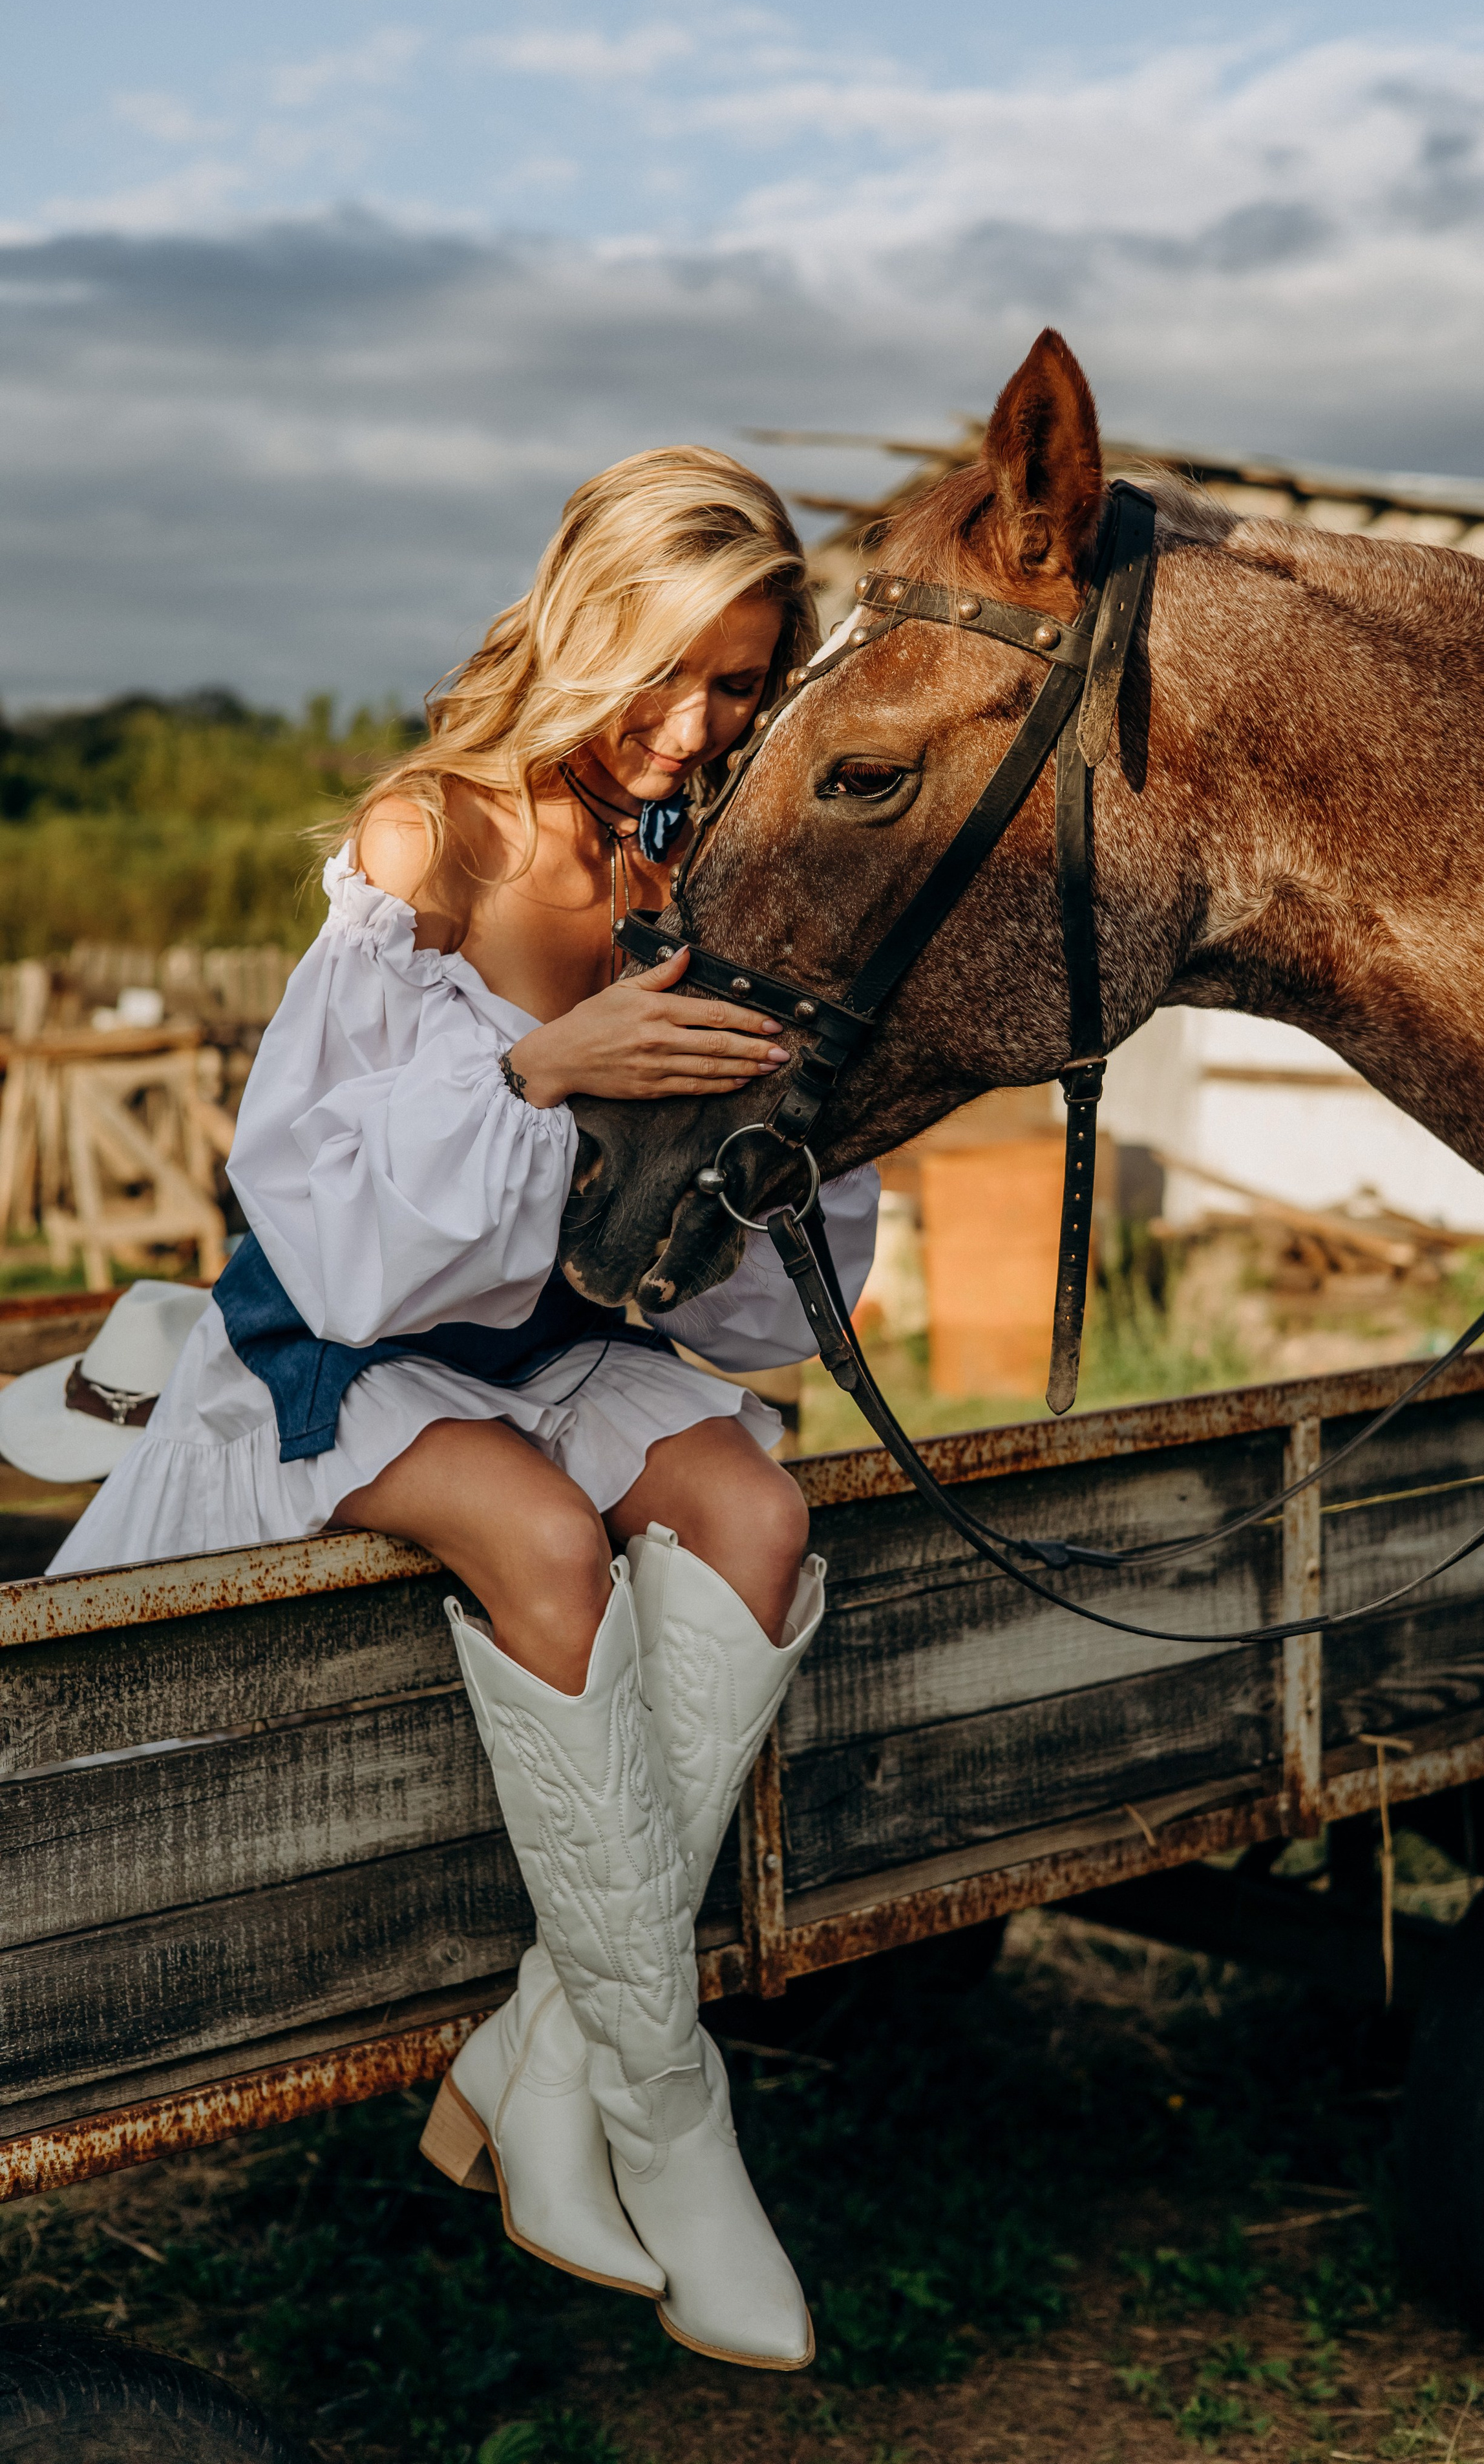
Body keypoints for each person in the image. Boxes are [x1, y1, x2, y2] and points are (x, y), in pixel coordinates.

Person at [50, 448, 880, 2374]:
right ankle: (673, 2118)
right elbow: (319, 1204)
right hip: (345, 1335)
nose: (696, 727)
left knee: (762, 1525)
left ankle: (544, 2056)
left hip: (544, 1334)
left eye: (744, 684)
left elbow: (726, 1263)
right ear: (586, 623)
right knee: (540, 1536)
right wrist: (543, 1064)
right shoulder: (431, 839)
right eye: (671, 674)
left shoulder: (688, 856)